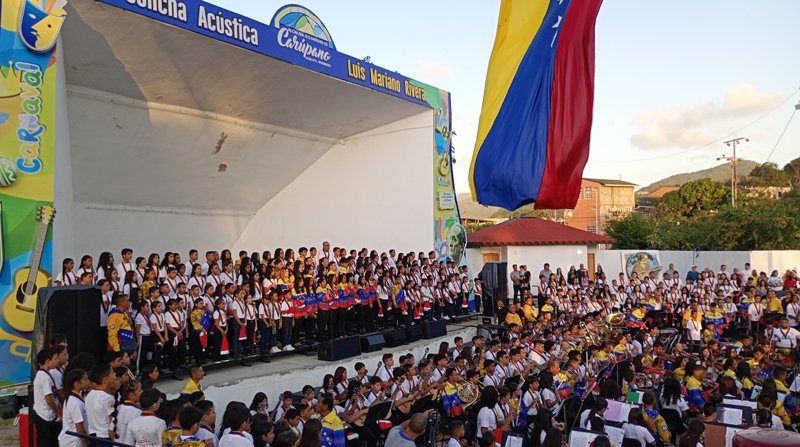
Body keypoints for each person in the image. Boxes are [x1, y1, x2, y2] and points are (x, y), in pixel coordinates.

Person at [32, 348, 62, 446]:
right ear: (48, 361)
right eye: (55, 359)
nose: (57, 361)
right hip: (45, 416)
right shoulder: (44, 377)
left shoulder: (46, 374)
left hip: (48, 414)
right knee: (47, 442)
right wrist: (58, 412)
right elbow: (49, 399)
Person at [85, 364, 119, 442]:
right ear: (106, 380)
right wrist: (113, 438)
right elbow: (112, 419)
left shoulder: (90, 394)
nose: (115, 375)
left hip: (92, 435)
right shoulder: (107, 397)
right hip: (104, 437)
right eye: (112, 373)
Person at [58, 368, 90, 447]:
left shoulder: (73, 397)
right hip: (73, 442)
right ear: (76, 384)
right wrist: (86, 444)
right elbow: (79, 427)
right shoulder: (75, 402)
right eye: (85, 379)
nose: (88, 381)